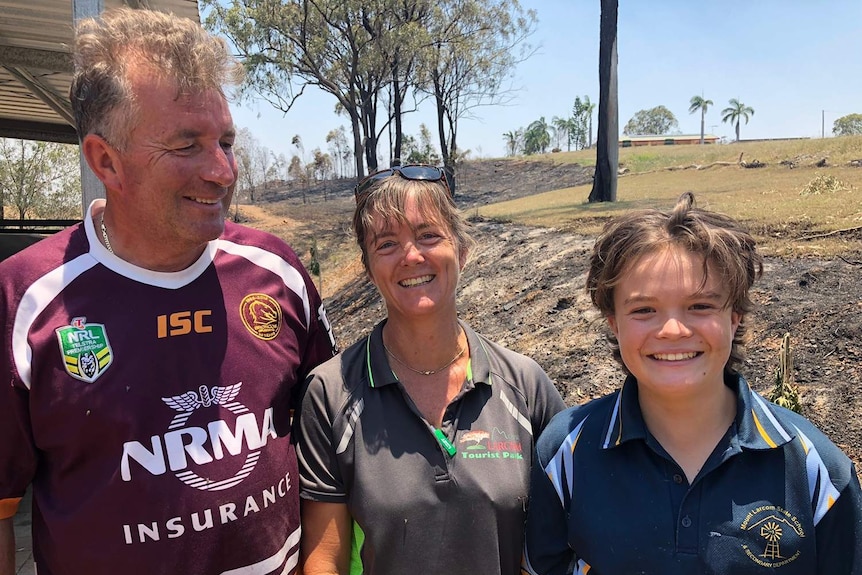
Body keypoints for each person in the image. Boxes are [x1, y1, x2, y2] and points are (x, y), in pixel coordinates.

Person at [0, 8, 335, 575]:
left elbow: (328, 449)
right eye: (186, 146)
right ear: (106, 161)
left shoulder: (273, 270)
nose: (223, 171)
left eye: (225, 141)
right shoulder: (26, 300)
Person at [523, 192, 862, 574]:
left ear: (734, 317)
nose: (672, 330)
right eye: (644, 310)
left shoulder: (816, 469)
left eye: (700, 306)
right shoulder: (565, 452)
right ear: (613, 324)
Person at [297, 165, 566, 575]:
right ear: (368, 267)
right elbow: (325, 559)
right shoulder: (330, 392)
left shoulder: (526, 386)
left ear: (461, 250)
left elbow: (558, 544)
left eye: (428, 235)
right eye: (386, 243)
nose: (411, 256)